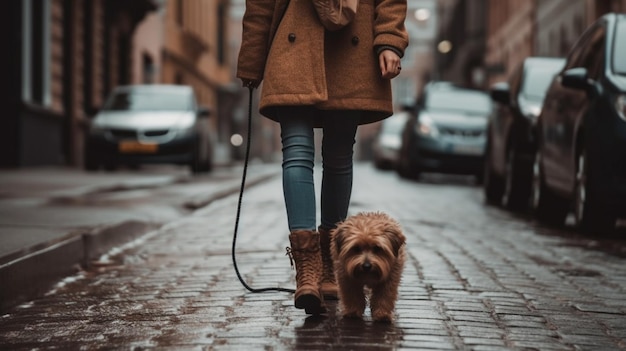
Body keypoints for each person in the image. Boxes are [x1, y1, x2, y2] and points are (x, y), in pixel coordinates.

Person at [237, 0, 408, 315]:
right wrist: (251, 59)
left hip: (346, 52)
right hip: (297, 51)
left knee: (324, 155)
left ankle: (328, 264)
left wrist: (390, 41)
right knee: (320, 155)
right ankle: (311, 269)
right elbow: (261, 5)